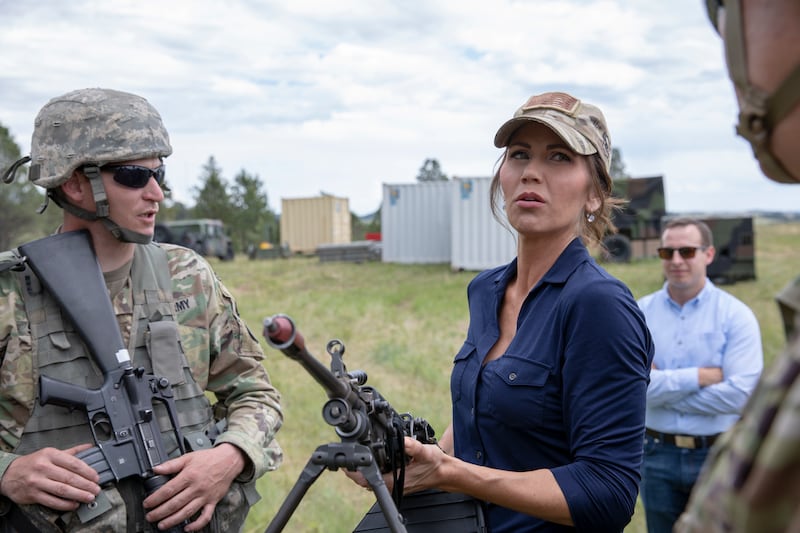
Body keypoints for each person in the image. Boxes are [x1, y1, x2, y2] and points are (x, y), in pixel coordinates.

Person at [354, 91, 654, 532]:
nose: (531, 172)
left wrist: (450, 473)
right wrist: (413, 460)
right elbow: (478, 422)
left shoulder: (599, 305)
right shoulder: (486, 290)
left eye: (559, 157)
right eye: (519, 154)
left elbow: (608, 492)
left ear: (594, 195)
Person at [0, 88, 283, 532]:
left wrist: (230, 456)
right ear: (74, 184)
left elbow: (255, 392)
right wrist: (7, 472)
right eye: (134, 176)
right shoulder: (9, 293)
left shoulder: (187, 275)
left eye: (159, 173)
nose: (157, 193)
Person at [674, 0, 800, 531]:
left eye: (727, 12)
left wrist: (669, 382)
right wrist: (697, 378)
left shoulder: (735, 315)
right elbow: (637, 390)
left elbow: (736, 389)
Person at [636, 217, 763, 533]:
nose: (676, 260)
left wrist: (659, 387)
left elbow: (742, 397)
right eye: (667, 252)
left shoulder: (736, 316)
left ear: (709, 254)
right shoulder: (639, 314)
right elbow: (630, 389)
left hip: (717, 455)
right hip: (655, 455)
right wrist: (700, 377)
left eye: (687, 251)